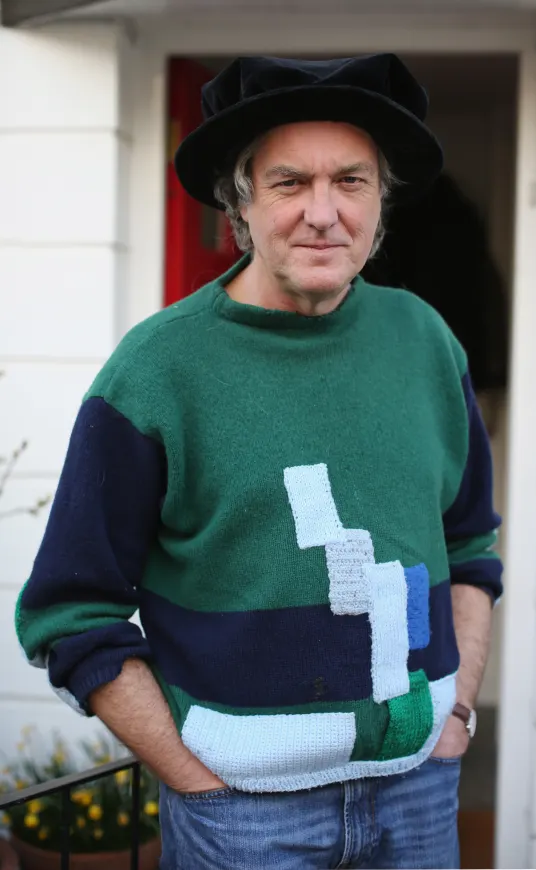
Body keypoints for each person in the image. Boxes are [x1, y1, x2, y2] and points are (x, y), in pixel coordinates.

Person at [15, 54, 503, 870]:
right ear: (239, 203)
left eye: (351, 181)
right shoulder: (158, 370)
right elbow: (70, 612)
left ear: (381, 203)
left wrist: (454, 715)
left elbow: (470, 551)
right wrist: (192, 779)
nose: (323, 212)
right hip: (241, 817)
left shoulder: (426, 341)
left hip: (418, 790)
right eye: (288, 183)